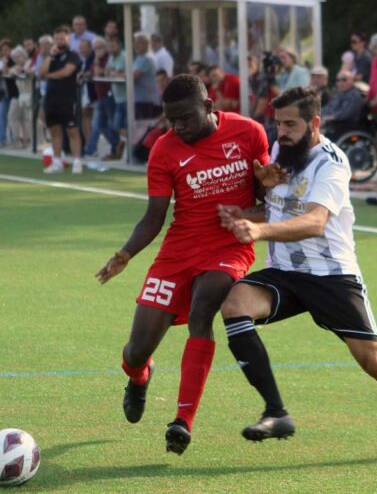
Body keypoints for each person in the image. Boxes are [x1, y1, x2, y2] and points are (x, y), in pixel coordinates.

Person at [217, 86, 377, 459]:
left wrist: (259, 230)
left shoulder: (331, 162)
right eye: (278, 123)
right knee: (235, 304)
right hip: (285, 271)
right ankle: (276, 412)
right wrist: (246, 214)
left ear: (314, 123)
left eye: (290, 124)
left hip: (332, 275)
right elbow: (278, 210)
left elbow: (315, 222)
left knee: (374, 361)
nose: (281, 132)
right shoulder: (283, 154)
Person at [94, 74, 274, 456]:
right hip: (177, 252)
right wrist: (124, 254)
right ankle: (139, 377)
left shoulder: (249, 133)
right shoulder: (164, 150)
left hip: (228, 247)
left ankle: (182, 421)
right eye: (171, 120)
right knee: (136, 351)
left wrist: (245, 212)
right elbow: (154, 217)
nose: (177, 127)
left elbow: (270, 203)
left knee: (202, 310)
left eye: (185, 118)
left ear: (209, 107)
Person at [40, 25, 83, 174]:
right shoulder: (52, 55)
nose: (59, 41)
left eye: (62, 38)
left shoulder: (73, 55)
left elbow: (67, 72)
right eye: (57, 38)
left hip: (67, 98)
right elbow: (41, 72)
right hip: (51, 98)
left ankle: (77, 162)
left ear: (68, 38)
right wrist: (50, 56)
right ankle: (57, 161)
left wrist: (49, 76)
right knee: (54, 130)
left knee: (72, 130)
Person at [83, 37, 115, 158]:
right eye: (95, 48)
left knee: (105, 124)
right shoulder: (95, 58)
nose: (97, 50)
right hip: (100, 95)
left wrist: (96, 62)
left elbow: (102, 71)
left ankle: (90, 149)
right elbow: (92, 71)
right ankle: (116, 144)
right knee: (100, 125)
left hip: (109, 94)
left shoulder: (108, 57)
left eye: (100, 47)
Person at [321, 69, 364, 139]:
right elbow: (328, 107)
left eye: (344, 80)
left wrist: (329, 118)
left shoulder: (353, 95)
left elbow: (346, 113)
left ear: (352, 81)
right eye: (338, 80)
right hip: (334, 125)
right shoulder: (339, 94)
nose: (340, 82)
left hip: (345, 126)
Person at [105, 36, 127, 159]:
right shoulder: (111, 57)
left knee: (117, 125)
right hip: (117, 98)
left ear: (119, 45)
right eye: (109, 46)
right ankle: (122, 144)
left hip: (126, 98)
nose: (111, 49)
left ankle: (130, 141)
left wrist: (113, 73)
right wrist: (112, 72)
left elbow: (126, 74)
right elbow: (106, 71)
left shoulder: (124, 57)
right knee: (116, 126)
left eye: (113, 46)